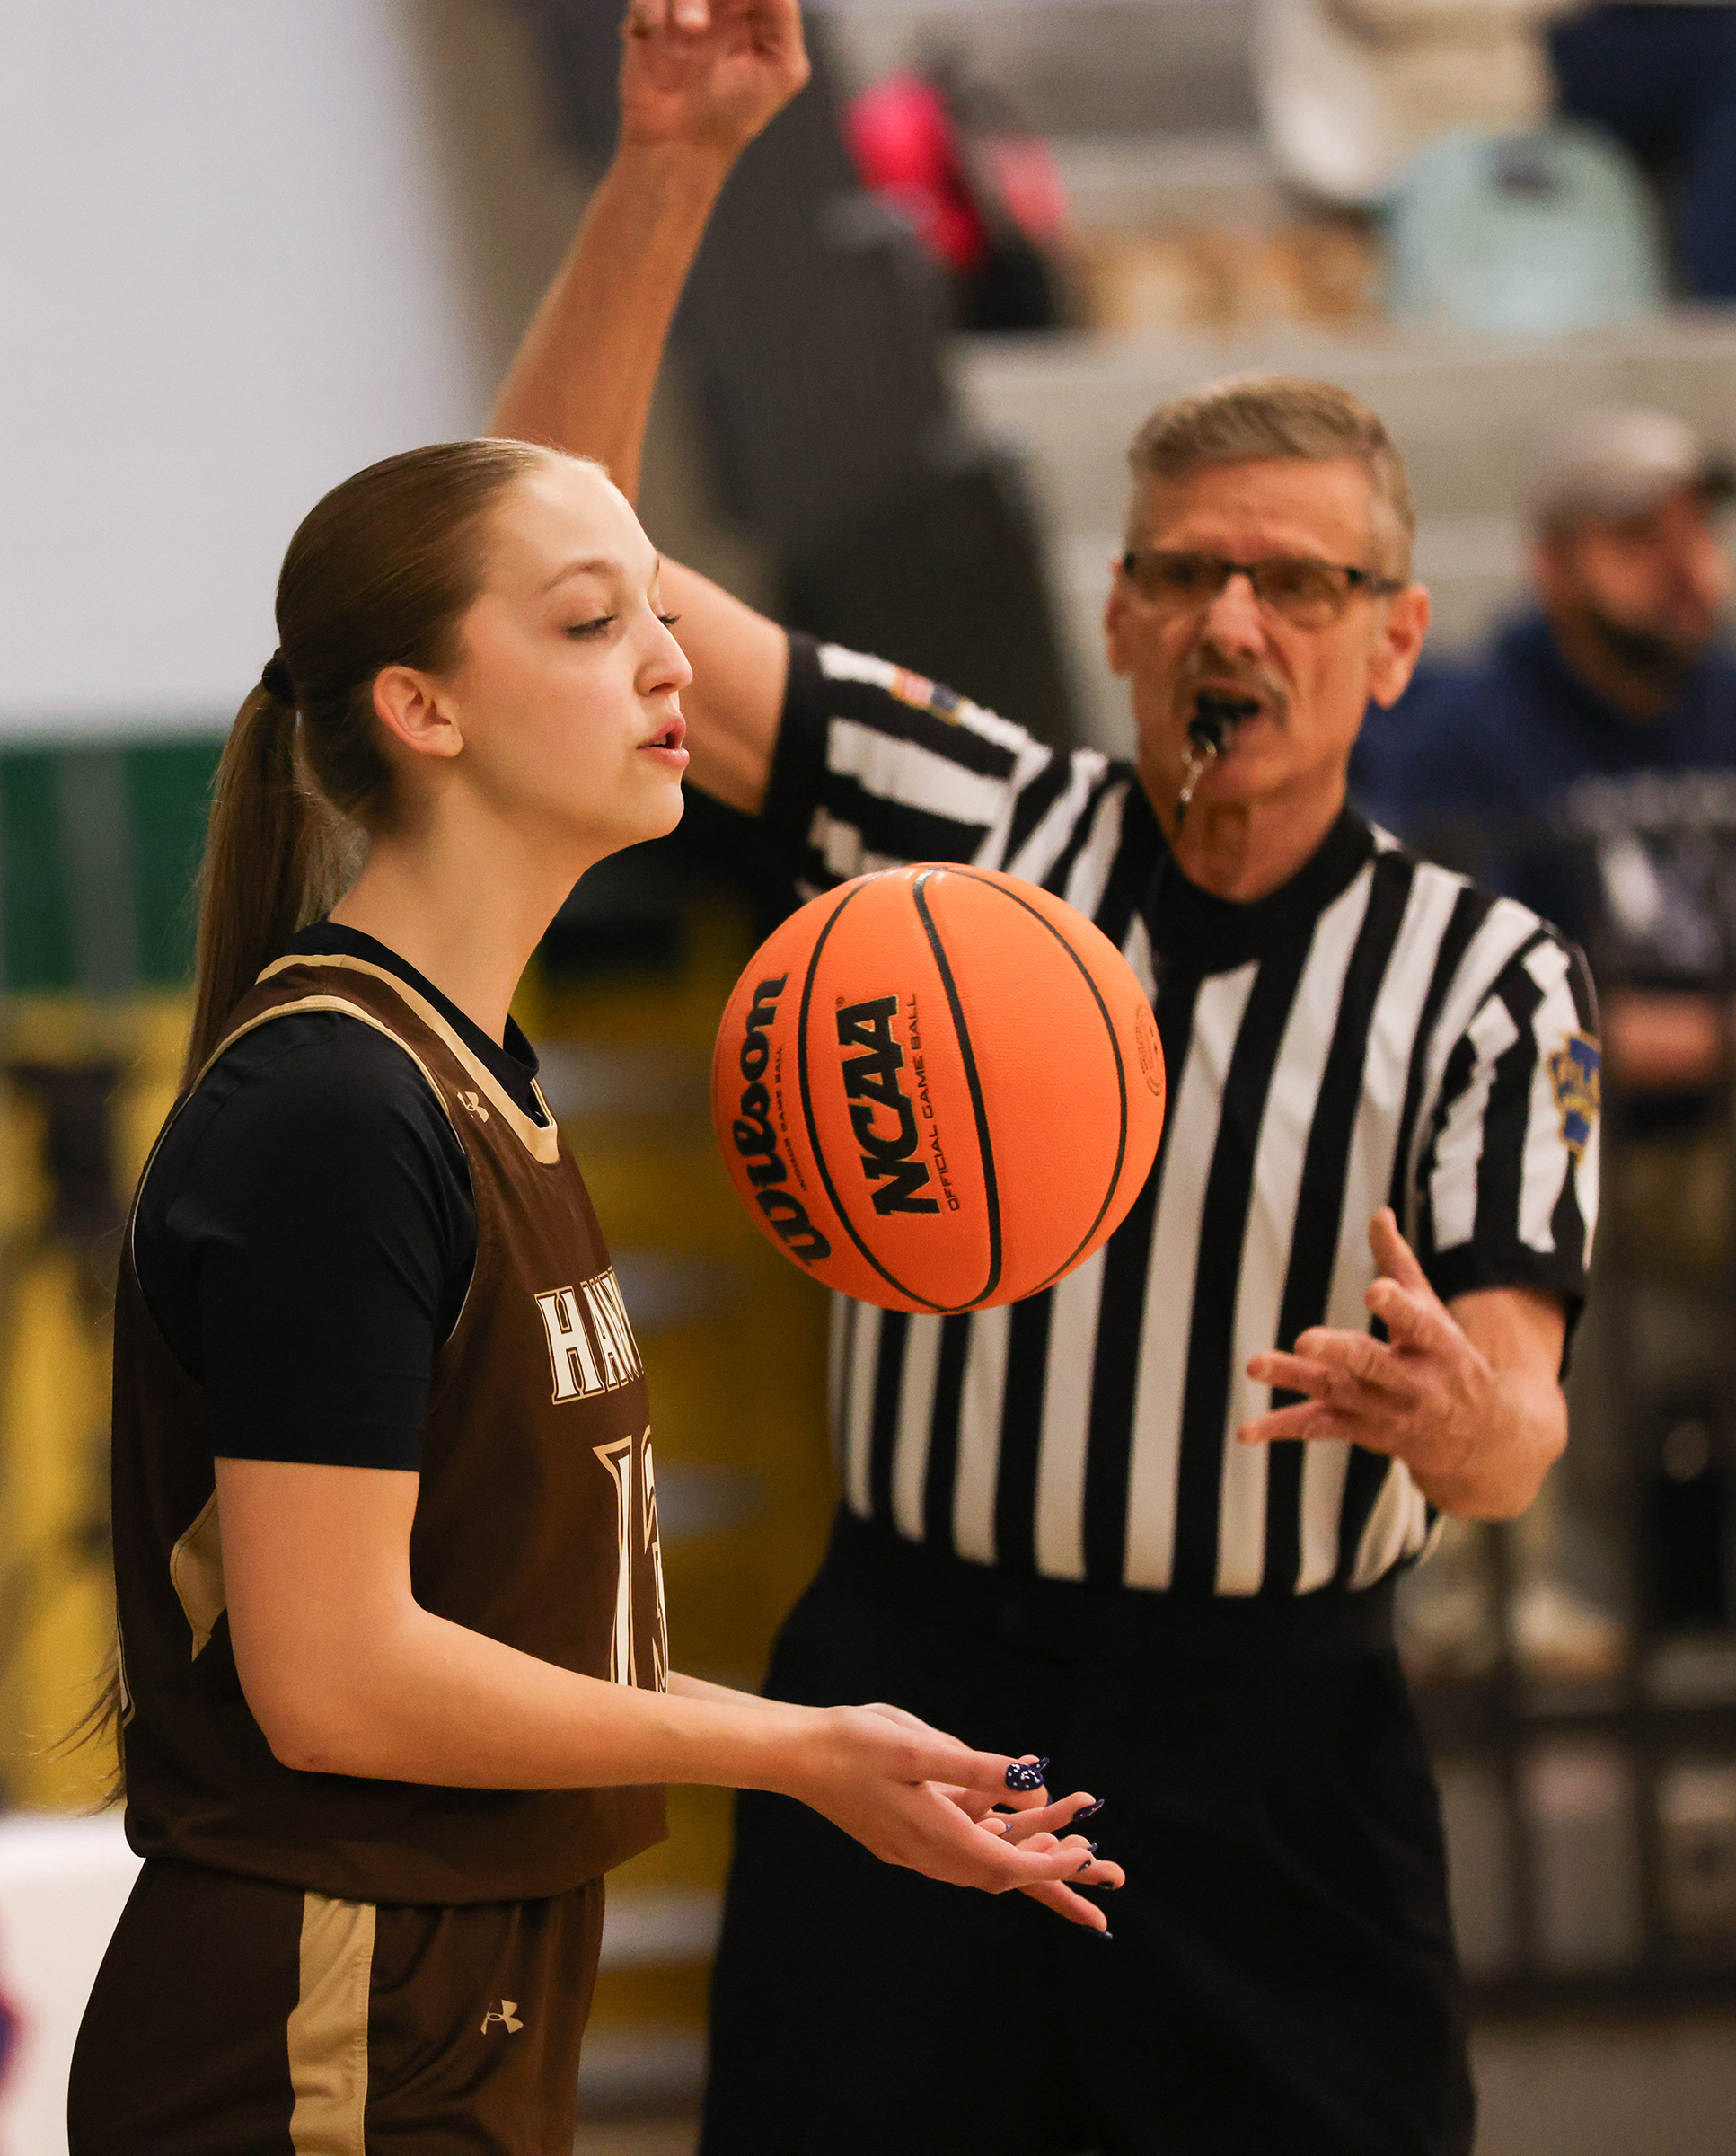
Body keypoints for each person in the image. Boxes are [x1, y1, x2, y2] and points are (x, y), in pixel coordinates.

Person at [494, 9, 1599, 2149]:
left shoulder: (1484, 974)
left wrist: (1470, 1419)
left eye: (1299, 579)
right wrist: (670, 163)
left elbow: (1523, 1414)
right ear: (1113, 612)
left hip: (1269, 1740)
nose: (1235, 620)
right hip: (915, 1679)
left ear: (1395, 636)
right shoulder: (949, 807)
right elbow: (549, 553)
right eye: (1186, 570)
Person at [67, 411, 1119, 2156]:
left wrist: (827, 1742)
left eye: (660, 609)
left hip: (449, 1989)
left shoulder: (476, 1078)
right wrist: (786, 1765)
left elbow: (510, 1635)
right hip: (327, 2011)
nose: (667, 658)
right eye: (588, 620)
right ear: (422, 704)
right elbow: (335, 1677)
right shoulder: (332, 1106)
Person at [1388, 405, 1736, 1091]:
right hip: (1567, 1118)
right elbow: (1466, 1003)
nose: (1684, 566)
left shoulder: (1724, 697)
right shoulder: (1465, 732)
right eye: (1639, 538)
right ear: (1551, 561)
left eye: (1697, 530)